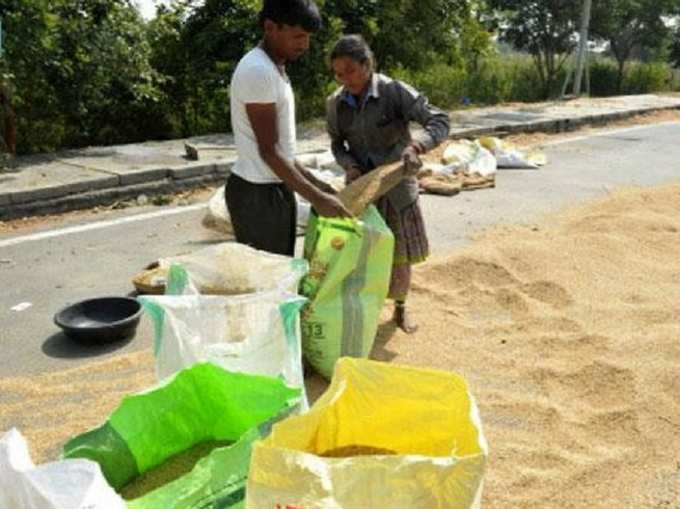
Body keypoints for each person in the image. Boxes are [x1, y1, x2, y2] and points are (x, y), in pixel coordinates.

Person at [326, 34, 450, 333]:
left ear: (366, 65)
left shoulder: (395, 92)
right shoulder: (336, 103)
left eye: (350, 71)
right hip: (362, 192)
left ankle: (400, 308)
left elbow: (440, 120)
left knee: (399, 254)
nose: (345, 80)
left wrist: (417, 147)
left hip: (396, 189)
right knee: (359, 257)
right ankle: (364, 312)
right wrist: (349, 165)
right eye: (338, 74)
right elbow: (336, 145)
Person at [227, 0, 351, 257]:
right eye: (298, 36)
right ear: (271, 27)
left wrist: (318, 185)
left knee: (282, 274)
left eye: (307, 38)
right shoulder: (258, 71)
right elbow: (270, 152)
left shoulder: (275, 69)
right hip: (257, 195)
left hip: (274, 187)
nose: (304, 45)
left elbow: (283, 151)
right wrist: (317, 198)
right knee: (268, 283)